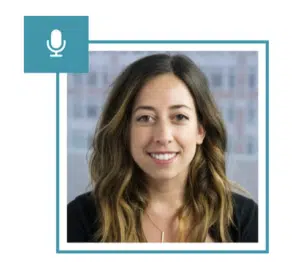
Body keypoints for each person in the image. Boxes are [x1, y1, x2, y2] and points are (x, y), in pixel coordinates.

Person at [67, 53, 258, 243]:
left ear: (200, 130)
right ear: (125, 131)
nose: (163, 136)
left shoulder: (247, 219)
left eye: (179, 117)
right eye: (145, 118)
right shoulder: (79, 219)